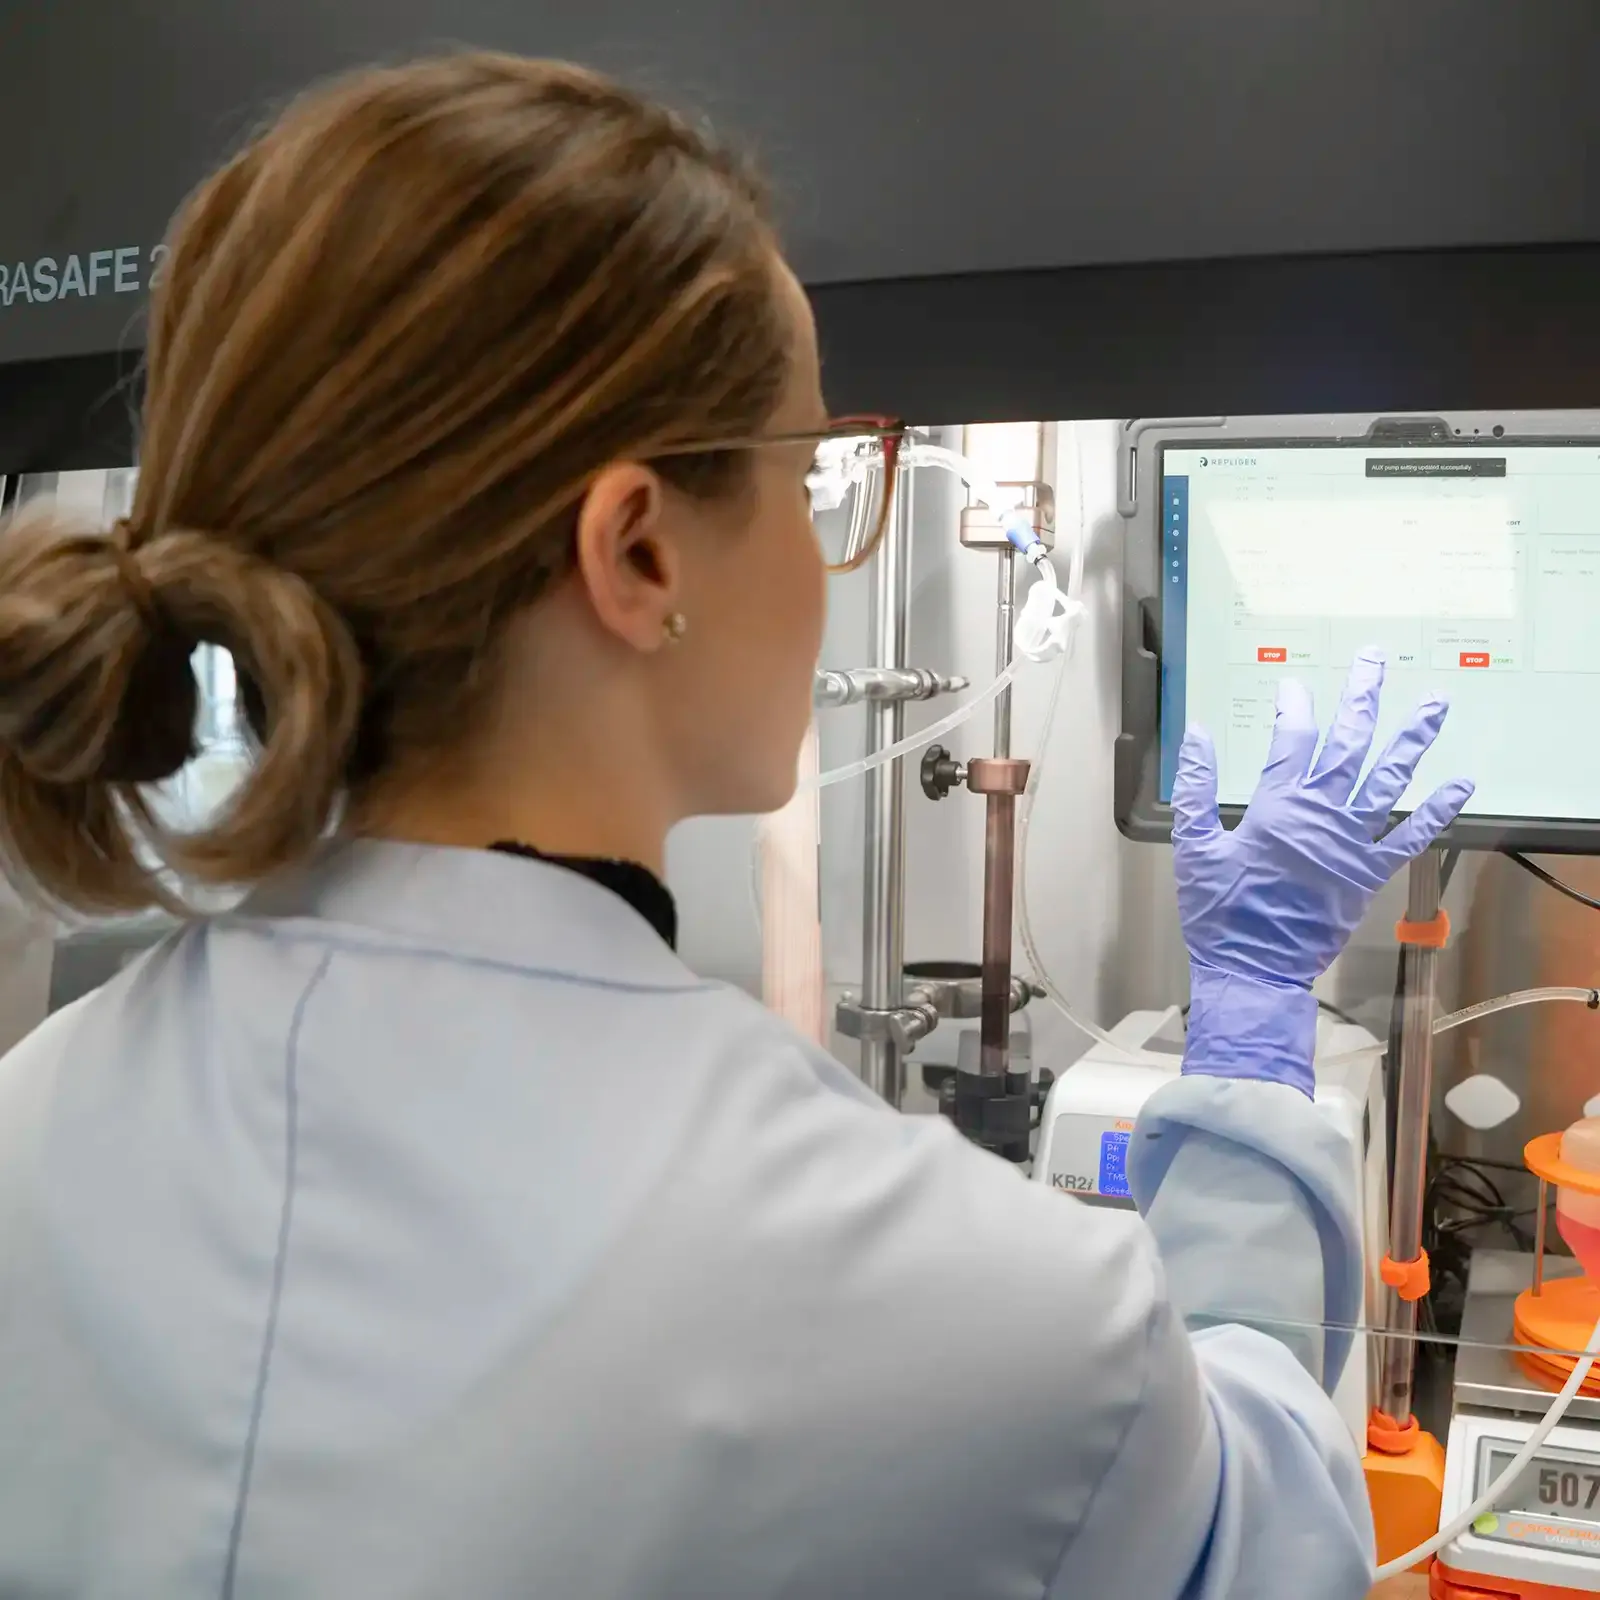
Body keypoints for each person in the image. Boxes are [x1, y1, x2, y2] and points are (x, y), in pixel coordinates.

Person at [0, 53, 1472, 1599]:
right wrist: (1245, 1048)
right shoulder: (975, 1321)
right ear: (638, 552)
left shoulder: (31, 1133)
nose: (828, 541)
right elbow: (1268, 1544)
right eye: (812, 464)